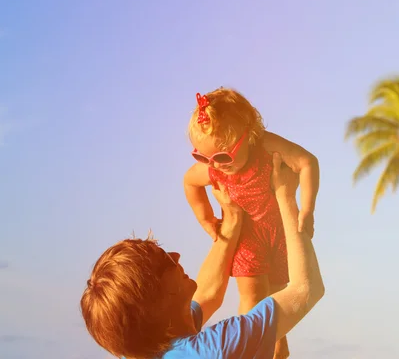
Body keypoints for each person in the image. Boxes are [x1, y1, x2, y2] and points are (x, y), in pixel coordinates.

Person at [80, 153, 325, 358]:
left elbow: (208, 294)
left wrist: (232, 220)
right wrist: (285, 193)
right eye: (165, 260)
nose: (176, 255)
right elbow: (306, 290)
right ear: (160, 298)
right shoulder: (216, 349)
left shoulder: (146, 344)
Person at [184, 87, 321, 357]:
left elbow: (307, 162)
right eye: (203, 158)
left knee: (278, 302)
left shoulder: (266, 146)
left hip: (277, 232)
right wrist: (206, 218)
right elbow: (190, 182)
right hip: (246, 236)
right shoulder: (214, 168)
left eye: (223, 156)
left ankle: (277, 351)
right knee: (252, 295)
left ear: (249, 135)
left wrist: (308, 209)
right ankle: (246, 352)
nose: (216, 165)